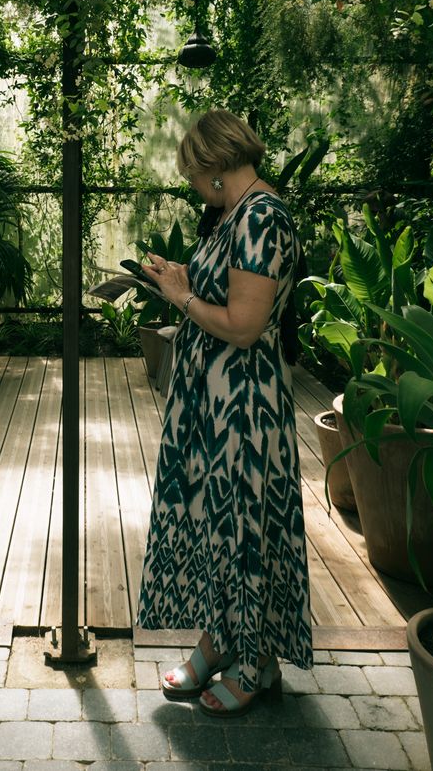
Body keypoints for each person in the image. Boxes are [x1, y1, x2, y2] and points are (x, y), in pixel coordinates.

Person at [136, 108, 312, 717]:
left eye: (192, 171)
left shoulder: (262, 216)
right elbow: (221, 290)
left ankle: (258, 661)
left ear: (214, 164)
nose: (190, 182)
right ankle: (216, 644)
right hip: (209, 405)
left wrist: (181, 298)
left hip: (242, 406)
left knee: (243, 532)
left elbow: (243, 326)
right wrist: (181, 279)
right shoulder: (232, 216)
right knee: (215, 525)